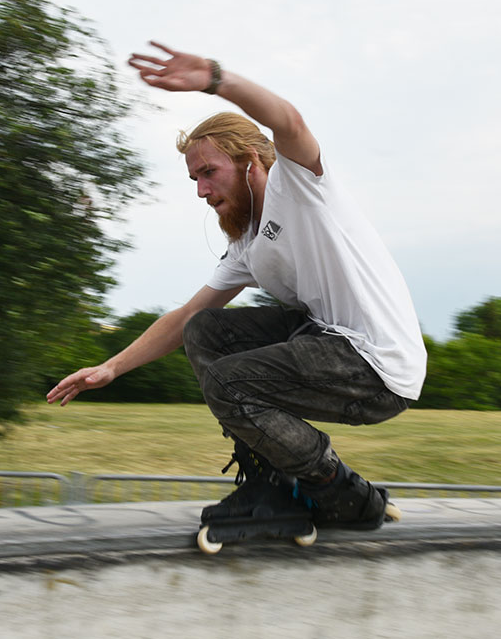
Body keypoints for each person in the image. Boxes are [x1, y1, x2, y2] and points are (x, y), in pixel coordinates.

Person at [47, 41, 426, 530]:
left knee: (229, 380)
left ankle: (335, 489)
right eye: (194, 180)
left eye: (209, 173)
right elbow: (184, 318)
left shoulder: (302, 187)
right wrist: (110, 368)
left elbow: (288, 122)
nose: (203, 191)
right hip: (328, 348)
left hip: (378, 368)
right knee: (205, 331)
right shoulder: (246, 242)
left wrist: (214, 79)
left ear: (250, 162)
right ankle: (272, 479)